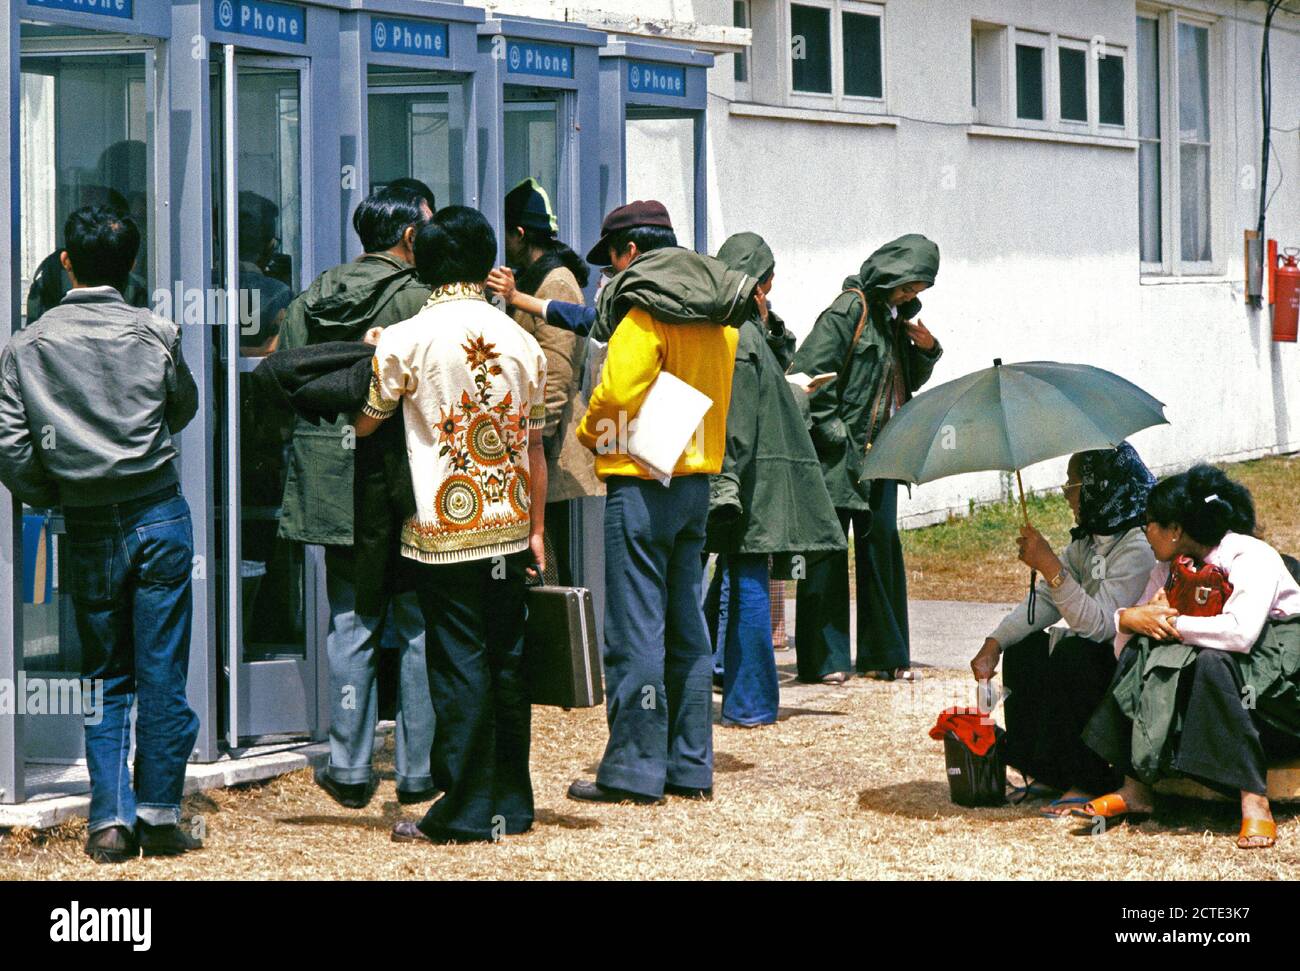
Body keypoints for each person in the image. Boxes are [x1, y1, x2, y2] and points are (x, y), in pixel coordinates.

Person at [0, 205, 200, 863]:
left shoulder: (26, 344)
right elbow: (184, 407)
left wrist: (52, 491)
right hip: (158, 510)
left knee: (103, 673)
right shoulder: (158, 331)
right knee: (163, 669)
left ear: (66, 262)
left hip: (86, 520)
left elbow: (13, 444)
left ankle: (110, 819)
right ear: (133, 263)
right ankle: (160, 810)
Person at [359, 206, 548, 844]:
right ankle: (510, 802)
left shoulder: (408, 337)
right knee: (506, 662)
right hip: (512, 518)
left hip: (446, 526)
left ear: (423, 258)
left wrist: (372, 353)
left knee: (459, 663)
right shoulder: (520, 338)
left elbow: (367, 418)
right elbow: (534, 446)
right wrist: (538, 528)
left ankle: (465, 807)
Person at [566, 201, 749, 805]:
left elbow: (618, 391)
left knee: (635, 631)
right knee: (687, 629)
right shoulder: (718, 313)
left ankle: (633, 771)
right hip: (695, 483)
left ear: (631, 254)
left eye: (612, 260)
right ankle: (689, 766)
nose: (610, 275)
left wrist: (591, 431)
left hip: (640, 485)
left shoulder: (643, 313)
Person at [277, 186, 437, 809]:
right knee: (419, 621)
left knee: (352, 619)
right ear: (409, 238)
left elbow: (287, 369)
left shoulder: (316, 292)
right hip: (409, 474)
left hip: (334, 474)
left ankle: (346, 763)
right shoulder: (423, 297)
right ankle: (418, 768)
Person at [1079, 465, 1300, 849]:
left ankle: (1254, 799)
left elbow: (1242, 633)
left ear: (1176, 530)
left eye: (1150, 523)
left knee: (1212, 660)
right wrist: (1129, 620)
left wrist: (1174, 623)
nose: (1144, 532)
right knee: (1142, 646)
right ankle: (1136, 789)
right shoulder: (1168, 569)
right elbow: (1122, 653)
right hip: (1227, 686)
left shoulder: (1251, 556)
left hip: (1279, 685)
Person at [788, 234, 943, 684]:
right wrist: (833, 430)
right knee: (827, 552)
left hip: (882, 456)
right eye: (909, 287)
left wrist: (927, 350)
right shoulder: (849, 311)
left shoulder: (893, 319)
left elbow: (902, 380)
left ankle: (885, 656)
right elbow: (808, 373)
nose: (912, 296)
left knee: (882, 549)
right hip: (840, 456)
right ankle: (824, 660)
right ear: (890, 275)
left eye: (919, 290)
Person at [704, 232, 845, 727]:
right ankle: (751, 703)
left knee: (745, 584)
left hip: (744, 481)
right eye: (769, 284)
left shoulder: (739, 330)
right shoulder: (742, 338)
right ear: (758, 285)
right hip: (748, 483)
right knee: (748, 586)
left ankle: (748, 700)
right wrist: (729, 487)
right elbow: (741, 424)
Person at [969, 445, 1157, 815]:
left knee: (1078, 652)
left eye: (1072, 485)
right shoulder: (1088, 541)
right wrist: (995, 642)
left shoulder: (1137, 547)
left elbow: (1102, 626)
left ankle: (1090, 776)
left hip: (1124, 666)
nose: (1067, 494)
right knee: (1025, 648)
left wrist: (1052, 566)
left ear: (1099, 487)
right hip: (1095, 651)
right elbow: (1045, 600)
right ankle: (1047, 769)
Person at [501, 177, 602, 585]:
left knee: (548, 571)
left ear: (520, 234)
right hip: (536, 448)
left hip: (547, 450)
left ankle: (564, 649)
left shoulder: (556, 281)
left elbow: (556, 377)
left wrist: (533, 445)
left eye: (505, 235)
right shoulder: (536, 278)